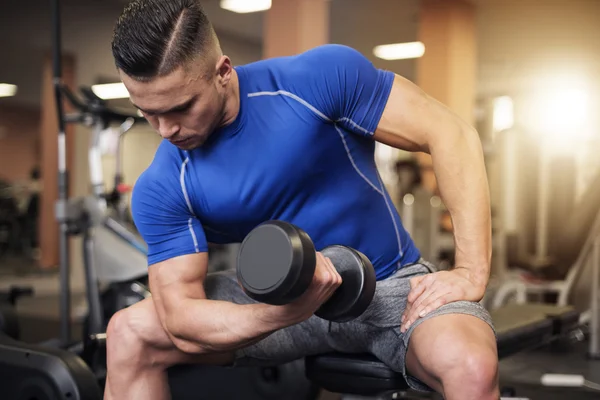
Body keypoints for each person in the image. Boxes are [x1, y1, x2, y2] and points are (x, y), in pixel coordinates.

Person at [105, 1, 498, 399]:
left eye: (182, 107)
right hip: (279, 305)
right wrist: (281, 313)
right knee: (128, 333)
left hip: (388, 287)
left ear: (223, 72)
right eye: (148, 112)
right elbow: (180, 318)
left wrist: (471, 270)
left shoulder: (313, 81)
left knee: (471, 367)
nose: (166, 129)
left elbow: (450, 133)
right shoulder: (165, 182)